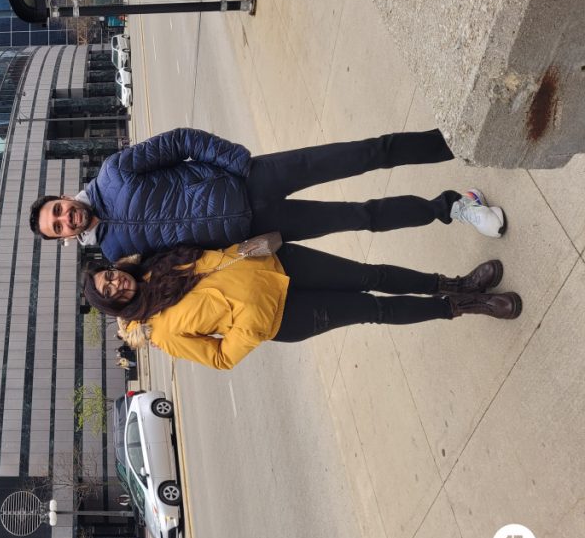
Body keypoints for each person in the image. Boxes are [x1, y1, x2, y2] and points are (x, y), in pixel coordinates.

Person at [29, 128, 506, 262]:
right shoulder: (116, 254)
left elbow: (179, 142)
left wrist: (235, 161)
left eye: (58, 210)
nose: (65, 218)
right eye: (58, 227)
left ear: (61, 197)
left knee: (359, 154)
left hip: (251, 180)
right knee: (360, 217)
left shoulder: (113, 174)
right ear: (63, 240)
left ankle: (457, 140)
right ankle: (454, 207)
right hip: (253, 230)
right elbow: (179, 265)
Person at [81, 238, 521, 371]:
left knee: (372, 274)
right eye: (110, 293)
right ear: (114, 307)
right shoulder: (161, 334)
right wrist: (250, 326)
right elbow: (218, 358)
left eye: (110, 277)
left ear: (115, 268)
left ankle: (455, 283)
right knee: (374, 308)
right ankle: (467, 306)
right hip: (282, 316)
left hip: (279, 263)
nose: (116, 284)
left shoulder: (156, 266)